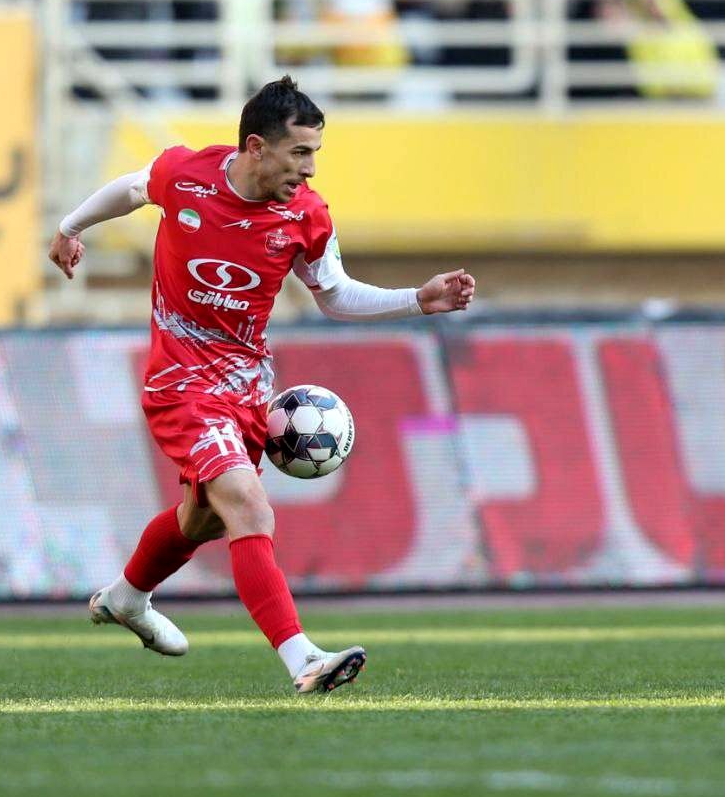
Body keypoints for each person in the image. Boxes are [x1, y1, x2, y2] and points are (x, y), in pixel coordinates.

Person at [47, 76, 476, 693]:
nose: (310, 168)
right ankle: (303, 659)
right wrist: (71, 226)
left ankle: (127, 597)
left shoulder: (306, 215)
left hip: (245, 387)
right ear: (256, 147)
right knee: (248, 505)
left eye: (315, 154)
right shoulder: (186, 175)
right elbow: (133, 188)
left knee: (202, 520)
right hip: (180, 382)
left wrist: (417, 299)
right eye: (299, 152)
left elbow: (334, 295)